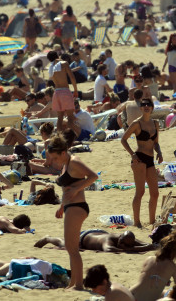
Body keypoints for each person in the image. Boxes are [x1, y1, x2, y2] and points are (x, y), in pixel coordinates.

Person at [48, 132, 98, 290]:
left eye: (55, 157)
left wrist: (77, 189)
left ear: (63, 152)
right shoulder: (65, 164)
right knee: (71, 248)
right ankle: (73, 283)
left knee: (72, 248)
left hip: (78, 207)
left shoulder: (74, 161)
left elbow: (93, 176)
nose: (54, 161)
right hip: (70, 206)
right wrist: (62, 206)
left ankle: (78, 285)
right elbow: (66, 189)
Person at [121, 98, 163, 227]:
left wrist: (159, 152)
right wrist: (132, 155)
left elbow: (155, 143)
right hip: (139, 158)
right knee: (140, 192)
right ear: (140, 108)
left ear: (152, 108)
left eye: (148, 105)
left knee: (155, 193)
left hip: (150, 159)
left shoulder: (155, 123)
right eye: (143, 105)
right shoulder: (136, 123)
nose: (146, 106)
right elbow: (123, 140)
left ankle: (151, 221)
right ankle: (137, 222)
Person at [130, 231, 176, 301]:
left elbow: (147, 280)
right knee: (167, 293)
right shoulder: (174, 268)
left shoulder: (149, 259)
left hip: (130, 295)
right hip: (147, 299)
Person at [35, 229, 156, 253]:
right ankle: (47, 238)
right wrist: (129, 249)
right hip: (83, 238)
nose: (122, 245)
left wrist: (151, 246)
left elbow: (146, 245)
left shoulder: (125, 237)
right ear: (120, 238)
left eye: (125, 243)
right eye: (122, 242)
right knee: (62, 242)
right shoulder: (108, 240)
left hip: (97, 232)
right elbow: (108, 249)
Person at [49, 51, 78, 132]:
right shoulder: (64, 63)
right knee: (70, 117)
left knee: (60, 118)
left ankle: (59, 136)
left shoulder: (51, 67)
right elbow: (72, 77)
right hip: (65, 91)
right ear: (57, 56)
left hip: (56, 93)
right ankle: (69, 137)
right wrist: (75, 89)